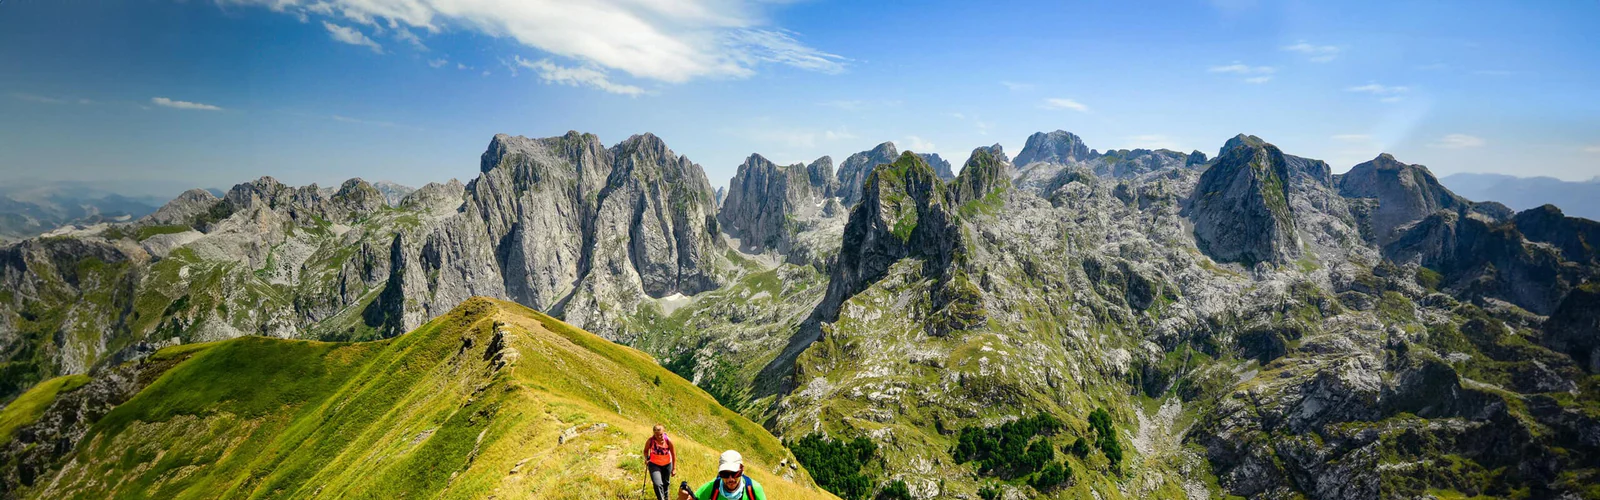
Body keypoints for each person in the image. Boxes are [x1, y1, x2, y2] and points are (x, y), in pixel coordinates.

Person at [678, 450, 767, 500]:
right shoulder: (713, 486)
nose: (730, 479)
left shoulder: (754, 489)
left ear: (742, 470)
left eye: (735, 473)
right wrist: (681, 498)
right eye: (725, 474)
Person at [644, 424, 678, 500]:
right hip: (654, 464)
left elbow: (673, 454)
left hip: (667, 464)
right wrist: (646, 458)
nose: (659, 436)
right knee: (657, 484)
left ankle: (666, 498)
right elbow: (645, 451)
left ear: (664, 432)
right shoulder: (650, 441)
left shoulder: (668, 441)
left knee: (666, 483)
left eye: (661, 434)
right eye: (657, 435)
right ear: (654, 434)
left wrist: (674, 468)